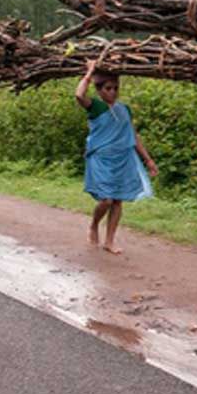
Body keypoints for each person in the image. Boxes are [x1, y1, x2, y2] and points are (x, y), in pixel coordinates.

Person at [74, 60, 158, 254]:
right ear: (99, 90)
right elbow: (79, 95)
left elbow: (133, 135)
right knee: (106, 199)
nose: (112, 92)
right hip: (101, 159)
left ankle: (110, 240)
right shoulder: (96, 107)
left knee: (118, 200)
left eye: (115, 88)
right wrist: (89, 73)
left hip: (124, 158)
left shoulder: (124, 109)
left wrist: (148, 160)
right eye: (108, 88)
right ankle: (94, 225)